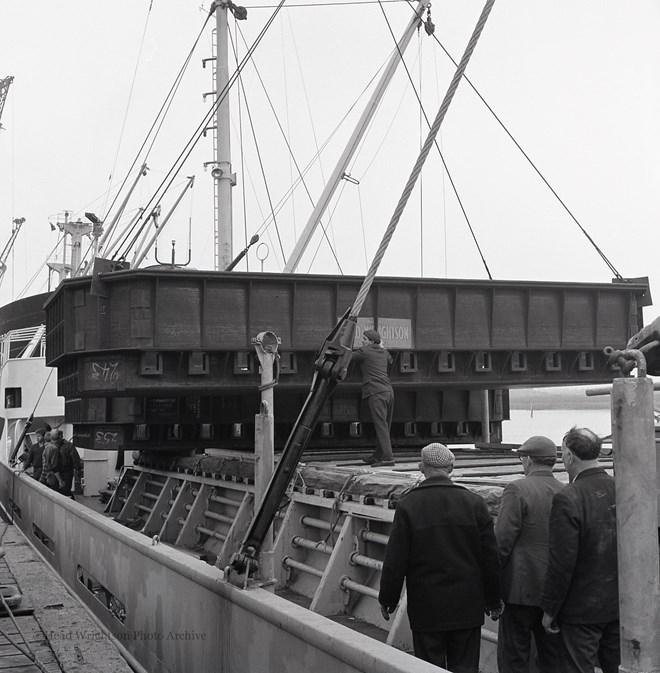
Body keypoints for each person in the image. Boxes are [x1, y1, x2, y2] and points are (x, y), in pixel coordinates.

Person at [378, 442, 502, 673]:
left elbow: (396, 560)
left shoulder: (408, 505)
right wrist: (494, 600)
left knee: (428, 667)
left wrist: (388, 599)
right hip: (467, 608)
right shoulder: (474, 503)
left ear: (421, 467)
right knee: (465, 667)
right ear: (452, 468)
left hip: (427, 609)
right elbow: (490, 559)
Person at [540, 426, 619, 673]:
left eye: (562, 452)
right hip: (620, 605)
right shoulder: (621, 488)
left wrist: (550, 610)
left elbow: (561, 561)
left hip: (581, 611)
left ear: (570, 457)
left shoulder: (568, 498)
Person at [495, 435, 564, 673]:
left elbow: (502, 542)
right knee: (551, 657)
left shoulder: (517, 489)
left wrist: (491, 588)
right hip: (555, 592)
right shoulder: (565, 490)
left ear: (528, 461)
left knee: (513, 657)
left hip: (519, 591)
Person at [352, 329, 394, 467]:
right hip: (388, 392)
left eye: (364, 339)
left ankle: (388, 458)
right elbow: (390, 359)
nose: (362, 341)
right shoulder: (383, 352)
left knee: (381, 426)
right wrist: (382, 346)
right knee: (385, 426)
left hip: (376, 393)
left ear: (370, 341)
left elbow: (348, 357)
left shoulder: (365, 351)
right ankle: (378, 456)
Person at [50, 429, 82, 499]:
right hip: (54, 473)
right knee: (55, 492)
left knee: (65, 491)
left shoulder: (69, 446)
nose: (55, 441)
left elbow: (75, 458)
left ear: (61, 436)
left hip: (66, 473)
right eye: (53, 439)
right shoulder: (50, 446)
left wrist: (78, 470)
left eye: (57, 439)